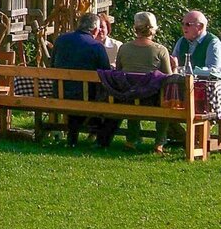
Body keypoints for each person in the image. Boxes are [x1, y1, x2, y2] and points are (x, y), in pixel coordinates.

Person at [115, 12, 174, 153]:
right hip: (153, 98)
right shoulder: (160, 50)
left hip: (129, 97)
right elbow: (169, 77)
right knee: (163, 96)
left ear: (135, 28)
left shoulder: (124, 48)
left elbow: (118, 71)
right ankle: (159, 142)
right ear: (153, 29)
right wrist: (176, 66)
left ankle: (132, 139)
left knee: (133, 90)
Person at [51, 13, 111, 147]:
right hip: (85, 96)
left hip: (60, 93)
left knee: (76, 92)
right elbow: (106, 74)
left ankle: (73, 138)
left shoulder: (61, 40)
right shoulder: (97, 46)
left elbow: (52, 65)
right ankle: (97, 135)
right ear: (95, 30)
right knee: (102, 96)